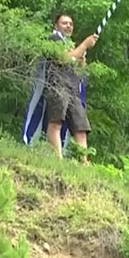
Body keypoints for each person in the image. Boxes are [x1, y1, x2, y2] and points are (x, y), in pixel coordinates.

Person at [44, 13, 98, 160]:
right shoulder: (53, 39)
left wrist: (82, 62)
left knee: (81, 127)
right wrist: (85, 44)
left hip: (73, 90)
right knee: (56, 122)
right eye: (64, 23)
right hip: (57, 86)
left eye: (71, 24)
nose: (68, 26)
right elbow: (63, 59)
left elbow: (80, 72)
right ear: (56, 26)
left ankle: (84, 161)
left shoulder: (71, 45)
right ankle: (58, 159)